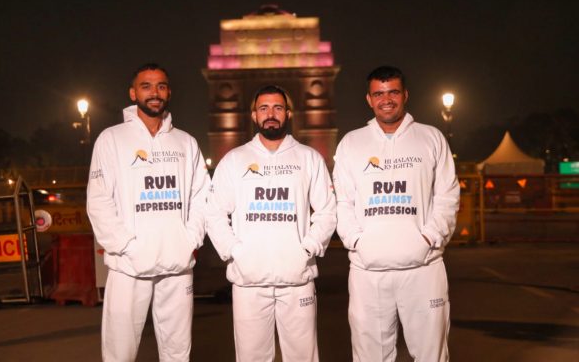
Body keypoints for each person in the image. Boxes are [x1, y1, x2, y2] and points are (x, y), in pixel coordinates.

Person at [333, 66, 460, 361]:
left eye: (392, 92)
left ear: (405, 95)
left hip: (424, 267)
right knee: (370, 356)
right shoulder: (352, 143)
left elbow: (447, 196)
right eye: (379, 93)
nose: (386, 99)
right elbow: (342, 201)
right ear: (369, 99)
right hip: (368, 270)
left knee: (431, 355)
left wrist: (429, 237)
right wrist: (357, 241)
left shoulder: (431, 137)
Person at [86, 63, 209, 362]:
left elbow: (202, 197)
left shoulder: (186, 142)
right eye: (146, 86)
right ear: (133, 93)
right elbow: (99, 200)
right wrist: (126, 247)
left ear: (169, 92)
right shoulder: (111, 138)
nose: (155, 93)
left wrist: (189, 241)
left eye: (161, 86)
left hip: (176, 264)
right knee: (120, 351)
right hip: (129, 265)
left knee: (178, 351)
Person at [206, 85, 336, 362]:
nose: (270, 114)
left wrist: (309, 248)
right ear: (254, 115)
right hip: (248, 280)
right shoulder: (234, 159)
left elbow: (327, 210)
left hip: (297, 278)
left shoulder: (309, 157)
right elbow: (214, 211)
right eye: (263, 108)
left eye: (277, 107)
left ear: (288, 113)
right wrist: (234, 251)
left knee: (303, 357)